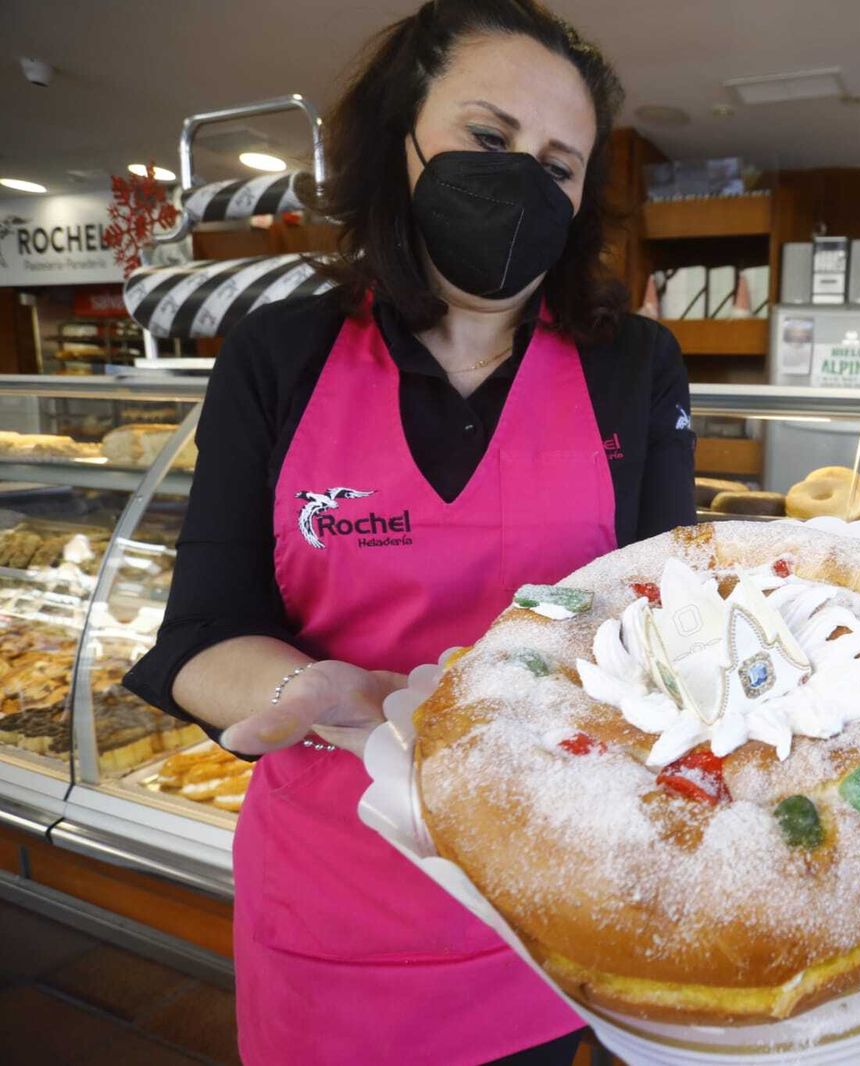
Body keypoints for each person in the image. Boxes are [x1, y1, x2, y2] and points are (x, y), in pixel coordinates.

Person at [123, 2, 695, 1062]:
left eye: (560, 165)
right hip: (332, 912)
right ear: (400, 140)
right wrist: (319, 696)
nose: (525, 177)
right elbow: (205, 631)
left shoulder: (633, 366)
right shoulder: (277, 353)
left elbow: (666, 623)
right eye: (489, 139)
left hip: (548, 897)